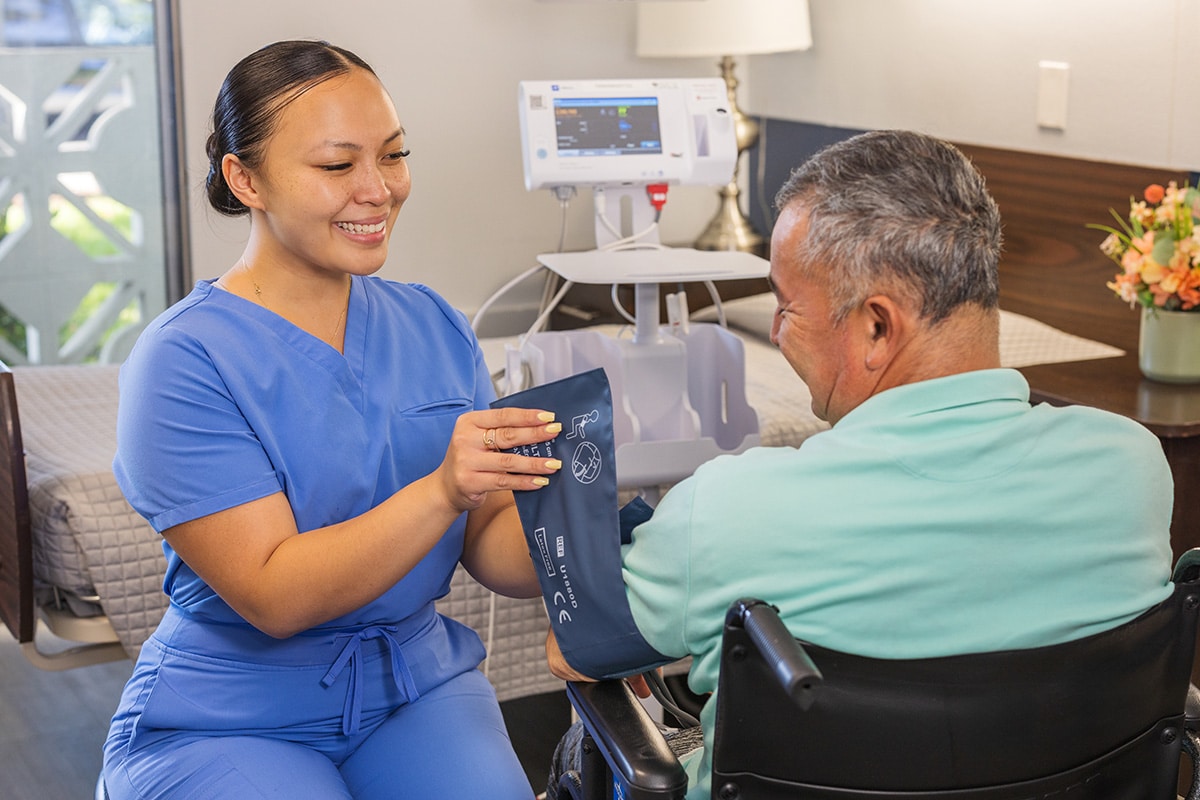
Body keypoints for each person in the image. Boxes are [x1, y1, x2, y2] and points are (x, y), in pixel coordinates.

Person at [544, 129, 1175, 800]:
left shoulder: (730, 509)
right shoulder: (1133, 468)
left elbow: (573, 649)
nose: (778, 332)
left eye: (786, 307)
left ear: (877, 327)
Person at [103, 40, 561, 799]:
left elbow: (491, 551)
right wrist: (442, 489)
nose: (378, 190)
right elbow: (275, 595)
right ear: (245, 178)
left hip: (415, 685)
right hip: (232, 710)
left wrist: (574, 508)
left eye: (393, 155)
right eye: (337, 165)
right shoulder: (183, 360)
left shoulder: (435, 324)